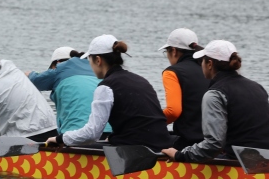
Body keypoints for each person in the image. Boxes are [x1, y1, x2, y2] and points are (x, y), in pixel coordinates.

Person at [46, 35, 175, 151]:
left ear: (98, 60)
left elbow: (92, 134)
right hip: (162, 146)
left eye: (89, 60)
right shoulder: (141, 80)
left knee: (71, 147)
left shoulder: (106, 87)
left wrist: (60, 139)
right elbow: (137, 121)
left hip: (137, 153)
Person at [161, 40, 269, 162]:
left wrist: (180, 155)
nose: (201, 64)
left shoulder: (214, 94)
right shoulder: (257, 87)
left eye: (202, 61)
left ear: (209, 64)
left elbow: (213, 145)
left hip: (246, 163)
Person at [26, 46, 112, 135]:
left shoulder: (60, 69)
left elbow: (34, 81)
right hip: (108, 132)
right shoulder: (97, 71)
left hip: (76, 133)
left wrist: (29, 74)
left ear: (57, 63)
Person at [158, 28, 208, 150]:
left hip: (187, 143)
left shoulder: (172, 72)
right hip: (212, 142)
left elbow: (173, 111)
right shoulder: (209, 70)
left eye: (167, 52)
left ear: (174, 51)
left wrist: (152, 123)